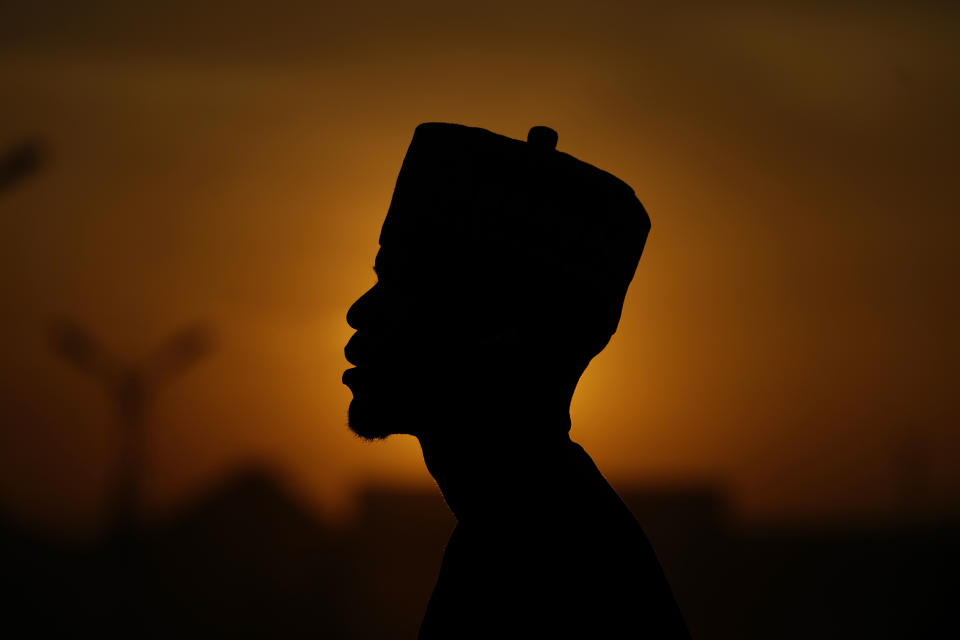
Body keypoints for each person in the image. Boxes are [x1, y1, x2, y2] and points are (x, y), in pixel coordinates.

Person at [343, 123, 690, 638]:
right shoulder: (522, 530)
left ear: (503, 332)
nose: (359, 312)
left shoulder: (542, 566)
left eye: (401, 283)